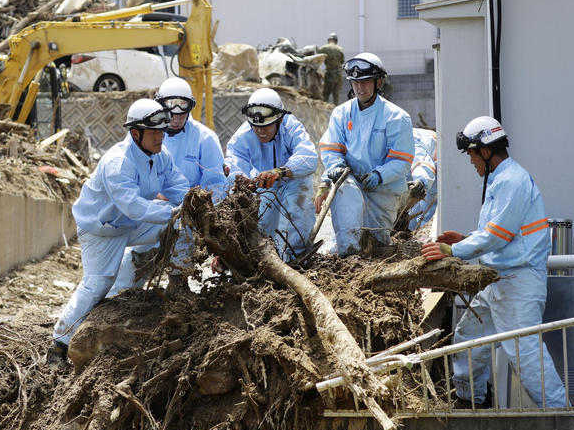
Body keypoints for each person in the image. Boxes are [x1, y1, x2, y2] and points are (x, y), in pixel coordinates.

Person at [422, 116, 566, 409]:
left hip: (517, 284)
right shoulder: (502, 180)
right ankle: (471, 402)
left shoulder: (512, 181)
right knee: (469, 338)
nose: (471, 161)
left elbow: (497, 237)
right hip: (498, 280)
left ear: (486, 151)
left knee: (527, 359)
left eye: (472, 155)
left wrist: (454, 250)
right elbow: (499, 234)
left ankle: (563, 416)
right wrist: (465, 238)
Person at [49, 99, 190, 364]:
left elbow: (179, 187)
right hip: (102, 229)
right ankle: (59, 344)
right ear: (135, 133)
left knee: (178, 226)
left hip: (131, 224)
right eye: (154, 132)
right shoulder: (118, 162)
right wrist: (172, 211)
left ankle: (178, 288)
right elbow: (133, 206)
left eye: (161, 131)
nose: (160, 137)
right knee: (97, 284)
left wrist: (194, 202)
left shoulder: (161, 156)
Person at [108, 77, 225, 296]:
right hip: (148, 211)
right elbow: (129, 177)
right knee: (133, 263)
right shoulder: (141, 135)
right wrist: (154, 197)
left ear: (190, 107)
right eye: (171, 108)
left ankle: (178, 286)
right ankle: (120, 296)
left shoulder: (205, 139)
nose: (176, 117)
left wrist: (203, 215)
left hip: (188, 214)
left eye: (183, 109)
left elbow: (217, 186)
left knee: (182, 231)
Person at [314, 52, 413, 256]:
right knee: (347, 228)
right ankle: (348, 257)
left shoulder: (397, 117)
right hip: (350, 180)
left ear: (379, 82)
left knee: (376, 246)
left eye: (366, 82)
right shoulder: (341, 113)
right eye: (355, 82)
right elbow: (331, 149)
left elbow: (401, 161)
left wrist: (379, 175)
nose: (360, 88)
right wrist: (336, 168)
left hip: (382, 189)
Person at [225, 87, 318, 261]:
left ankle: (297, 258)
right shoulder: (244, 134)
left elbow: (309, 156)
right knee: (261, 227)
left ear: (280, 119)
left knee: (295, 208)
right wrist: (241, 178)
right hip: (265, 185)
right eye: (256, 126)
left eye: (266, 125)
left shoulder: (292, 127)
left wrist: (279, 172)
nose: (260, 131)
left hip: (293, 181)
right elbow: (234, 159)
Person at [406, 128, 438, 231]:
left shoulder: (412, 140)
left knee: (425, 218)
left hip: (434, 170)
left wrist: (421, 181)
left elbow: (422, 162)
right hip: (415, 172)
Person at [318, 33, 345, 104]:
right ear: (336, 40)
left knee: (325, 95)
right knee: (336, 95)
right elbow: (342, 61)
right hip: (337, 75)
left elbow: (317, 56)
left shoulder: (323, 48)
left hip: (328, 74)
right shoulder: (340, 49)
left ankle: (324, 109)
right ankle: (336, 109)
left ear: (328, 40)